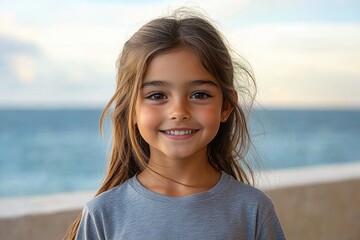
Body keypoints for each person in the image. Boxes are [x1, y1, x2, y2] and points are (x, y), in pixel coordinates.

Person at [65, 8, 286, 240]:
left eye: (199, 95)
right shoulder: (103, 214)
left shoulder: (253, 210)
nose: (179, 112)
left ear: (226, 107)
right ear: (130, 109)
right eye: (157, 95)